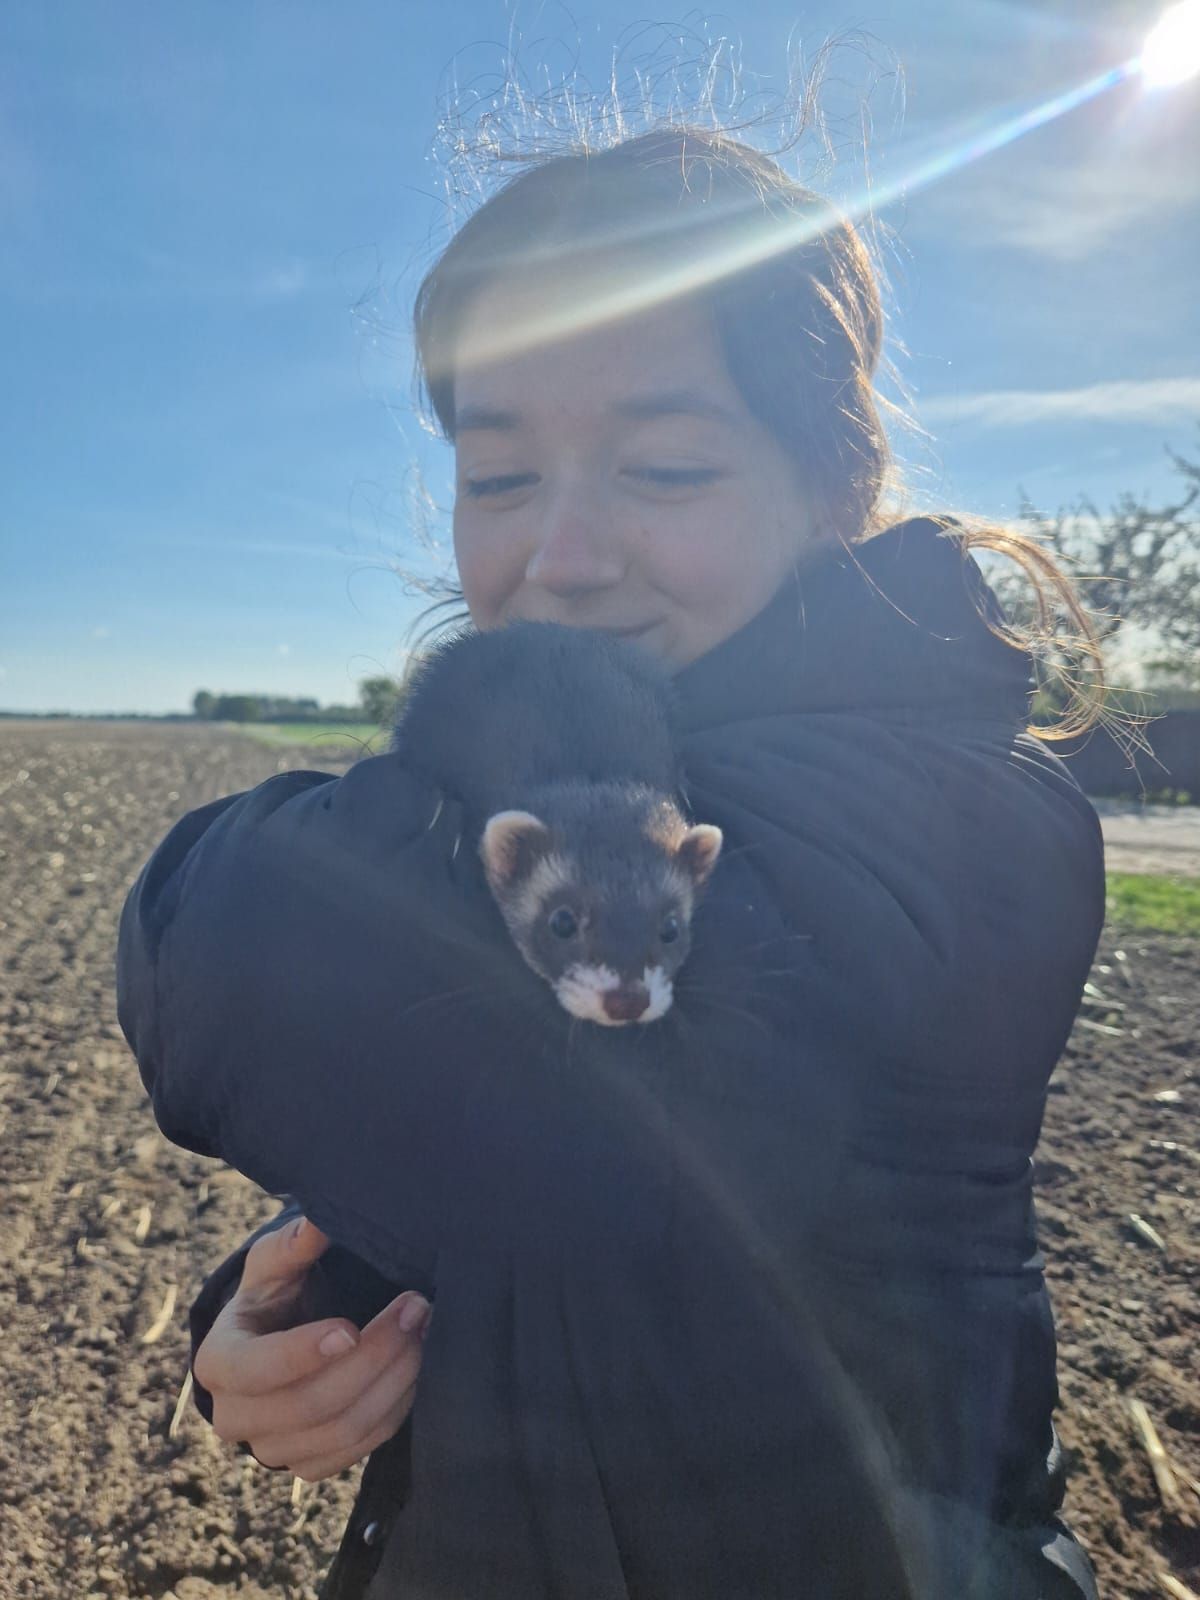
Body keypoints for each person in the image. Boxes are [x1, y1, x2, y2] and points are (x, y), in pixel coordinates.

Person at [117, 124, 1109, 1599]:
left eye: (666, 464)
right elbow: (469, 1149)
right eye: (500, 477)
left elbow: (231, 955)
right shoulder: (627, 789)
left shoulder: (954, 811)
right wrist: (299, 1305)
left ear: (833, 488)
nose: (563, 557)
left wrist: (476, 747)